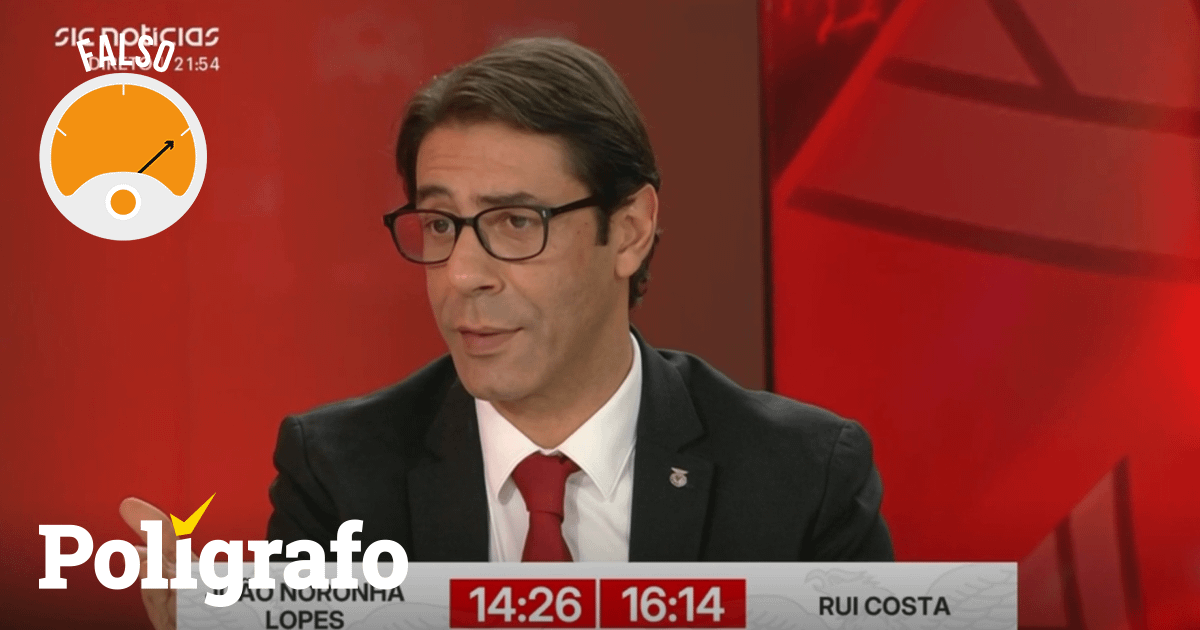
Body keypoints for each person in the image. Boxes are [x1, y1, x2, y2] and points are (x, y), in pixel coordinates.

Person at [122, 36, 892, 629]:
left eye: (515, 222)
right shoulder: (341, 476)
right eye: (440, 224)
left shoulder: (802, 477)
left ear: (628, 231)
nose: (462, 274)